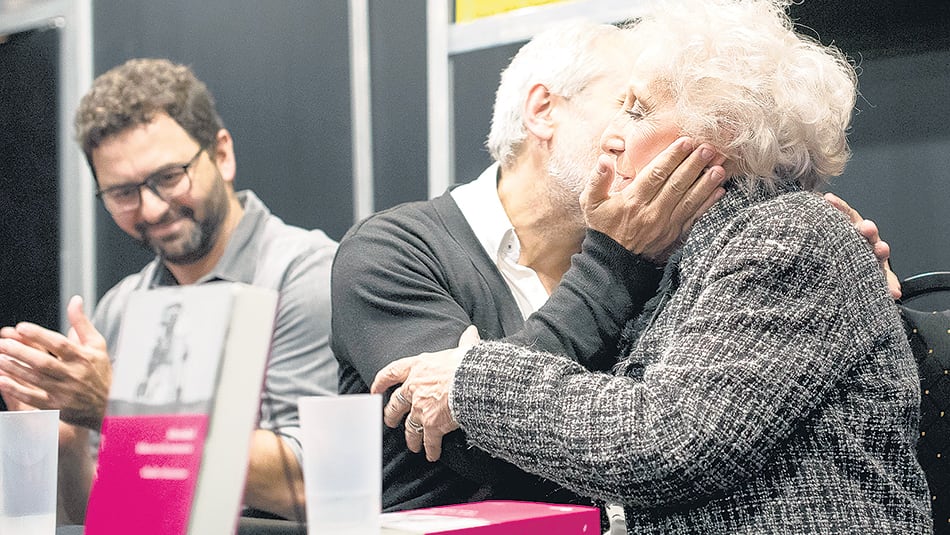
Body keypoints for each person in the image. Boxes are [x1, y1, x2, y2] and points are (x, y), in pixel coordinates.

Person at [372, 0, 931, 533]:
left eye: (637, 110)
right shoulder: (693, 254)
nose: (611, 136)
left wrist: (470, 378)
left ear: (722, 140)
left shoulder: (786, 234)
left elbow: (669, 442)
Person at [0, 58, 337, 523]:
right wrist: (67, 445)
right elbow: (104, 514)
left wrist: (117, 406)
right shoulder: (123, 306)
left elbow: (313, 483)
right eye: (123, 193)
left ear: (222, 155)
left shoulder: (308, 276)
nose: (152, 209)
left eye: (168, 177)